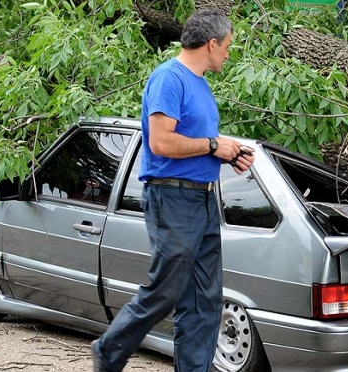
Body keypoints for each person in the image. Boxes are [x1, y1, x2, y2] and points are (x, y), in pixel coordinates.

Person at [91, 8, 253, 372]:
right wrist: (213, 146)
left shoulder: (201, 84)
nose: (229, 52)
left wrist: (228, 153)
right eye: (227, 45)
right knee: (165, 290)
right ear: (212, 44)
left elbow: (194, 142)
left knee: (204, 300)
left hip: (203, 198)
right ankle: (108, 351)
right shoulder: (169, 78)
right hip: (173, 198)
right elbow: (162, 143)